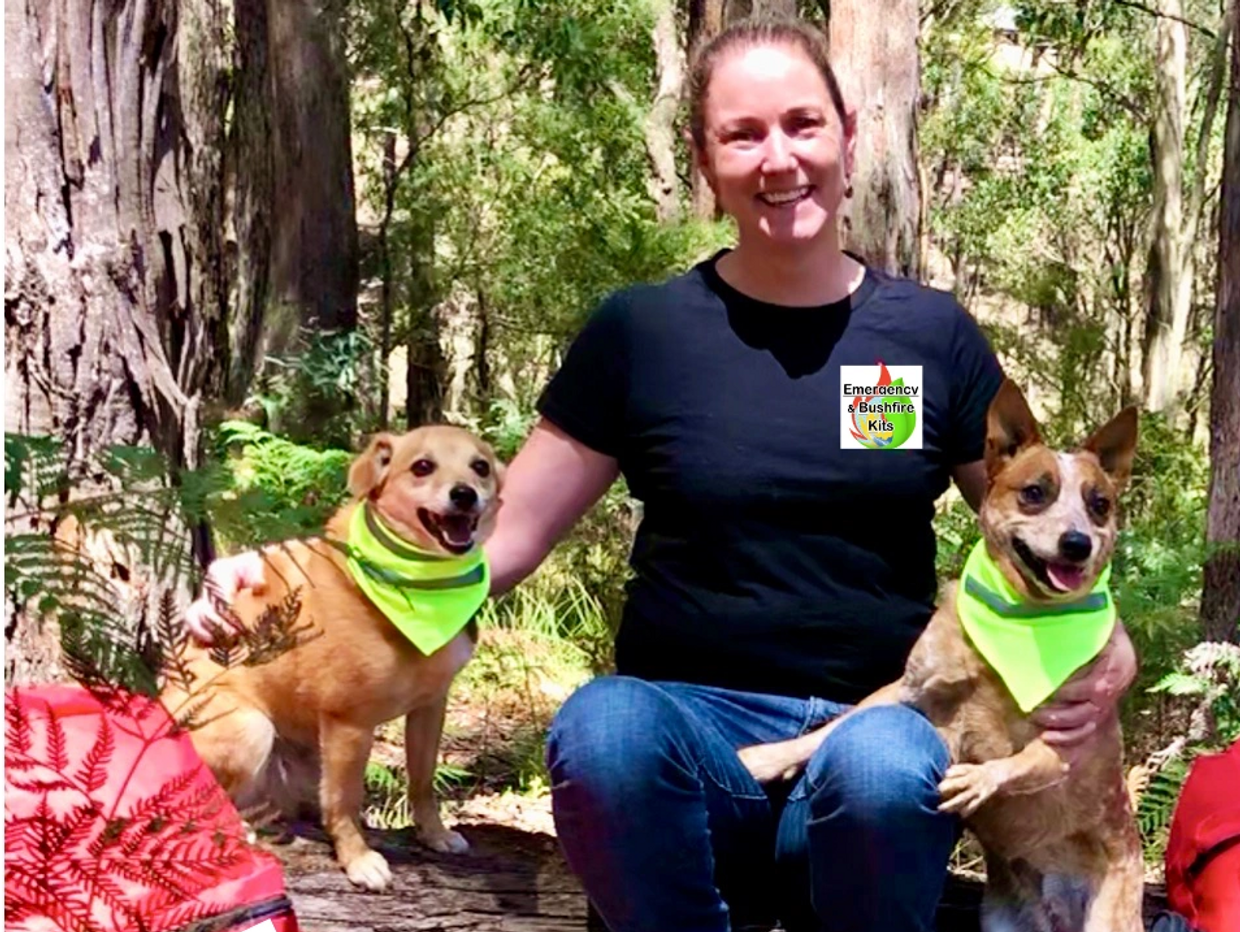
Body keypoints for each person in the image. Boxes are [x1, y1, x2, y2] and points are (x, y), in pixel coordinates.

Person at [186, 16, 1137, 932]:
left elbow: (1040, 532)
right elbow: (494, 538)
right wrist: (284, 587)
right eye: (743, 133)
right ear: (704, 160)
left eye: (803, 124)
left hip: (872, 724)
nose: (779, 158)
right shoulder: (642, 334)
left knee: (893, 762)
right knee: (603, 727)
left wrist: (1113, 650)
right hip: (690, 735)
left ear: (848, 136)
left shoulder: (932, 337)